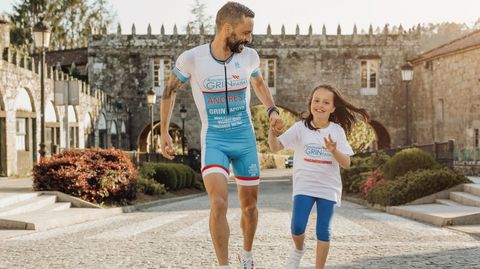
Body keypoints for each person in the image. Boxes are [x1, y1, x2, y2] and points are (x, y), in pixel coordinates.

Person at [159, 2, 284, 268]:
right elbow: (169, 91)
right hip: (214, 139)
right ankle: (224, 264)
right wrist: (164, 133)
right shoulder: (191, 58)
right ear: (227, 28)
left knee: (249, 207)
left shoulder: (249, 56)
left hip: (244, 139)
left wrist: (272, 110)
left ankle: (247, 256)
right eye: (245, 33)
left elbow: (259, 83)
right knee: (218, 202)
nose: (249, 39)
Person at [268, 85, 369, 269]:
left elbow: (346, 163)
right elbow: (275, 147)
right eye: (316, 100)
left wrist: (333, 150)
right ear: (310, 104)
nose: (320, 105)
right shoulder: (300, 128)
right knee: (297, 227)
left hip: (328, 188)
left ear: (332, 108)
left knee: (324, 231)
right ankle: (299, 250)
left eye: (325, 102)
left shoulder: (336, 131)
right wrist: (272, 132)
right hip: (304, 186)